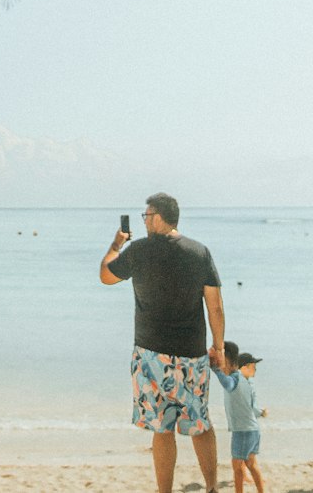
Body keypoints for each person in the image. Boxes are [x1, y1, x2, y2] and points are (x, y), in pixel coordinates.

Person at [100, 191, 225, 493]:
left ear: (158, 216)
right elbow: (216, 306)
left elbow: (105, 275)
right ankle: (211, 487)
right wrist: (218, 348)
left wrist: (117, 244)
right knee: (200, 424)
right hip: (191, 355)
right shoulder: (199, 252)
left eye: (146, 216)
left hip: (150, 354)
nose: (144, 221)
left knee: (162, 428)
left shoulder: (138, 251)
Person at [213, 342, 265, 492]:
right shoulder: (245, 381)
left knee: (237, 466)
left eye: (221, 360)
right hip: (251, 429)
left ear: (227, 361)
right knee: (250, 464)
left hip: (243, 430)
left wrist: (216, 370)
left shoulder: (235, 379)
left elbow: (228, 385)